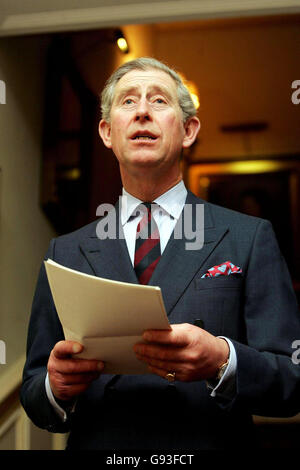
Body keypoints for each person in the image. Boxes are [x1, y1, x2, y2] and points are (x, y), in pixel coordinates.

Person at [20, 57, 300, 450]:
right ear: (106, 132)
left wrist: (223, 359)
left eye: (159, 101)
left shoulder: (248, 237)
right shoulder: (65, 251)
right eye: (129, 102)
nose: (143, 113)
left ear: (188, 130)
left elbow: (292, 379)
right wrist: (56, 386)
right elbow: (35, 392)